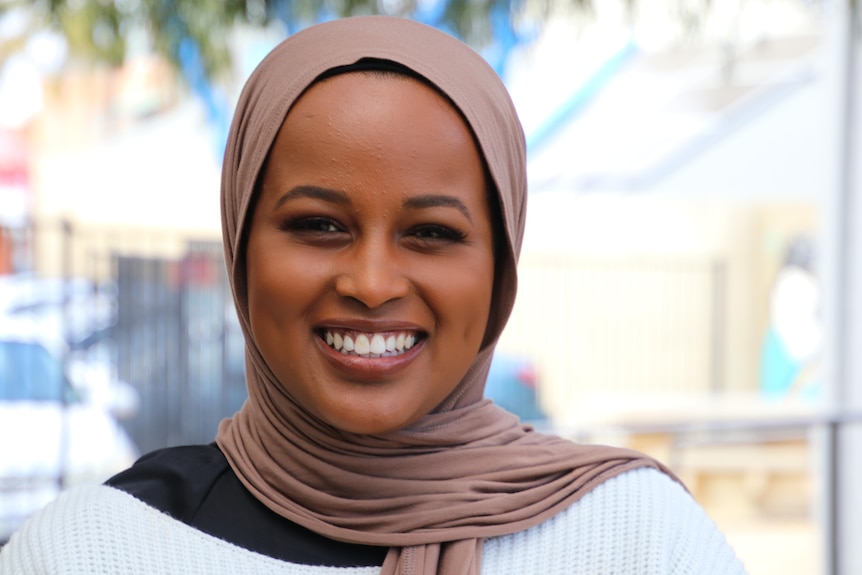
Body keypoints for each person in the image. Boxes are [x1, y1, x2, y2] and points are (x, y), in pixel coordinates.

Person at [0, 16, 747, 575]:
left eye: (431, 233)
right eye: (319, 224)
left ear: (501, 265)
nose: (372, 283)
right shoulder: (92, 550)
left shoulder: (637, 539)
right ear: (241, 248)